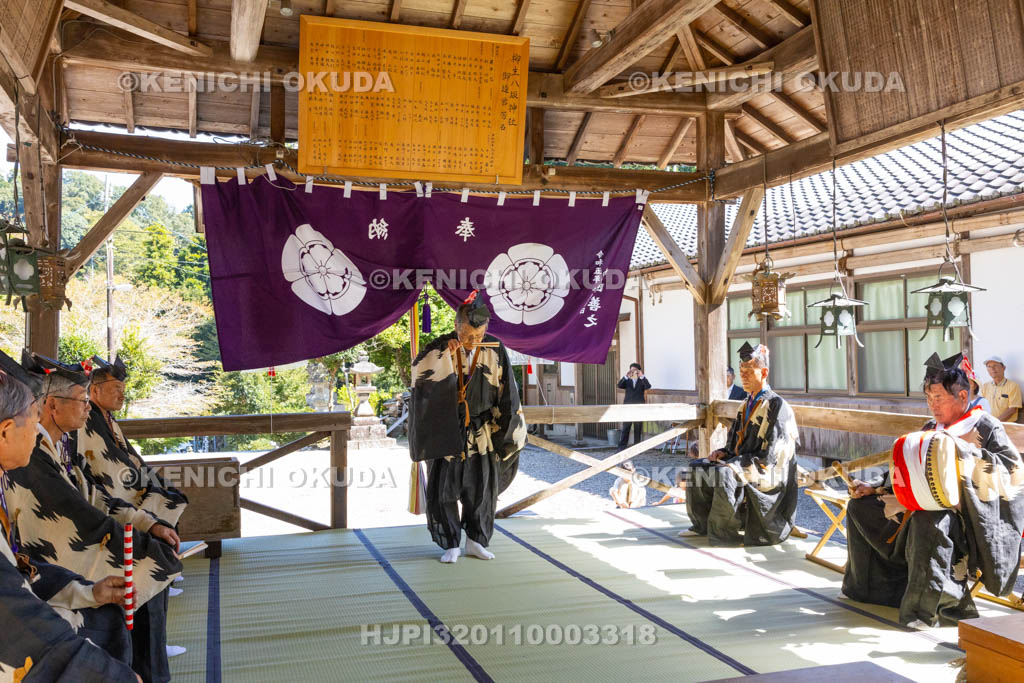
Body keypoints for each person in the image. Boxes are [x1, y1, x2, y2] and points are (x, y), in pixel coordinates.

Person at [3, 352, 182, 682]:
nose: (36, 427)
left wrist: (146, 522)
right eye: (32, 417)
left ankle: (148, 661)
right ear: (6, 431)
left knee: (144, 556)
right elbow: (71, 511)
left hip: (35, 570)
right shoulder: (34, 459)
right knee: (144, 561)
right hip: (52, 555)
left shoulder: (59, 444)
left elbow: (93, 493)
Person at [842, 352, 1024, 628]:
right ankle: (877, 589)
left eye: (938, 398)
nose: (932, 405)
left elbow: (1011, 472)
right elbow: (907, 469)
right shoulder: (931, 427)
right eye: (928, 398)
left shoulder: (985, 426)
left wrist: (963, 451)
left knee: (931, 520)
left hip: (965, 516)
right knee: (861, 508)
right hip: (917, 504)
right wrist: (876, 487)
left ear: (963, 397)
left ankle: (933, 608)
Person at [409, 291, 527, 564]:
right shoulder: (440, 346)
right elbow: (418, 375)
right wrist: (442, 356)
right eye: (466, 334)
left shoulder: (495, 348)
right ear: (456, 326)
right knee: (444, 488)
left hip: (482, 431)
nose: (472, 341)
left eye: (478, 335)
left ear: (486, 330)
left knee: (481, 487)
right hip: (447, 429)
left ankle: (475, 541)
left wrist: (504, 435)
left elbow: (507, 392)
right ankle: (450, 543)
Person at [683, 342, 799, 546]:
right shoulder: (746, 404)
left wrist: (735, 462)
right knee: (698, 467)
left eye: (749, 371)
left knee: (726, 474)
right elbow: (733, 443)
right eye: (741, 371)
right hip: (743, 461)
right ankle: (701, 525)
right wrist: (723, 453)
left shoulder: (777, 405)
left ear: (764, 372)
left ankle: (724, 533)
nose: (743, 376)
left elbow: (773, 455)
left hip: (767, 470)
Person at [71, 355, 188, 533]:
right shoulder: (88, 420)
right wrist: (144, 483)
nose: (122, 395)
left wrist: (152, 480)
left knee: (166, 491)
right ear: (94, 391)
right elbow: (106, 464)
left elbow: (130, 455)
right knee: (160, 499)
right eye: (117, 389)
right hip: (110, 496)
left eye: (123, 390)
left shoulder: (108, 417)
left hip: (127, 484)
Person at [617, 363, 651, 449]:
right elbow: (619, 385)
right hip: (628, 407)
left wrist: (642, 376)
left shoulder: (641, 380)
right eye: (631, 370)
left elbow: (648, 386)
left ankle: (637, 447)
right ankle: (622, 446)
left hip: (639, 407)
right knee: (626, 427)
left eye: (635, 370)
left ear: (638, 371)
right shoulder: (627, 380)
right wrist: (626, 376)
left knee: (638, 427)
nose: (633, 372)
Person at [981, 355, 1022, 423]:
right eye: (989, 366)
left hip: (1007, 427)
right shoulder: (985, 386)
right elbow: (981, 406)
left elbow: (1012, 409)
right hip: (988, 426)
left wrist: (995, 423)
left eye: (995, 365)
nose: (992, 369)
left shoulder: (1013, 386)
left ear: (1004, 368)